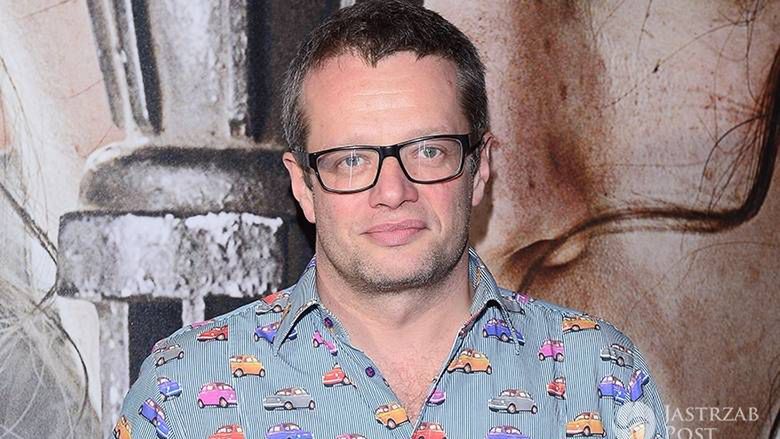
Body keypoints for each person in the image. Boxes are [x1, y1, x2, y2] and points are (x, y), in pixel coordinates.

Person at [111, 1, 669, 438]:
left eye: (428, 151)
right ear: (304, 185)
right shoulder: (183, 391)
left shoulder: (599, 377)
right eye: (351, 160)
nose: (393, 192)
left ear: (479, 168)